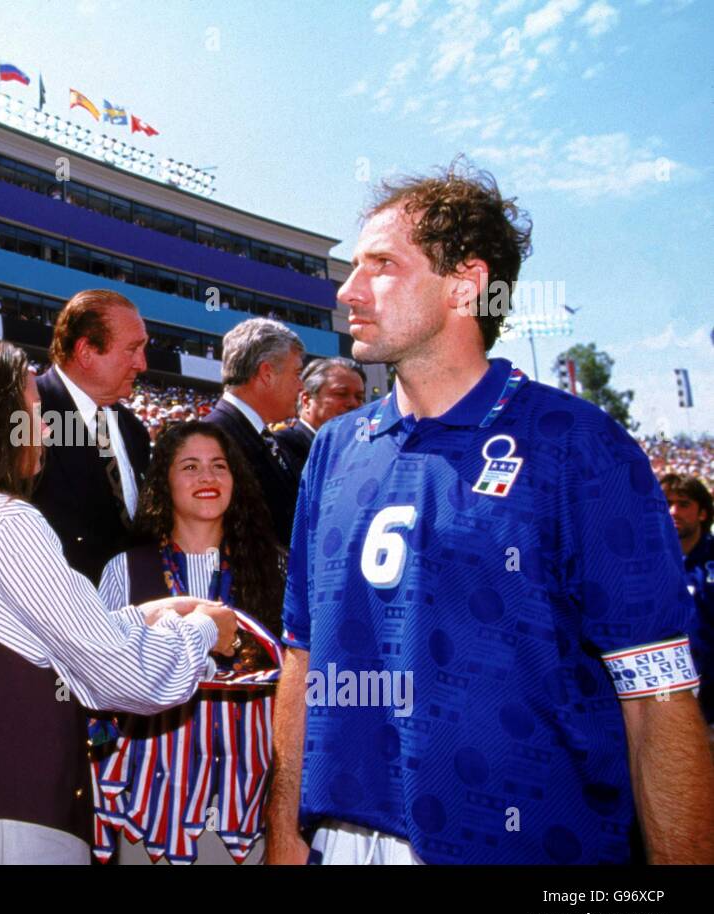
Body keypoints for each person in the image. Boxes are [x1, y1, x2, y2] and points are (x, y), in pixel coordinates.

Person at [267, 161, 714, 865]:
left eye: (381, 264)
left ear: (466, 283)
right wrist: (284, 851)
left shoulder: (578, 446)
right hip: (343, 836)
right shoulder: (334, 448)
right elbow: (301, 659)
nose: (348, 290)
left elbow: (657, 699)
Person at [0, 341, 238, 864]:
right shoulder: (5, 520)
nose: (45, 431)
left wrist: (147, 614)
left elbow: (40, 638)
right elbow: (118, 675)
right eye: (36, 414)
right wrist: (202, 629)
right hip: (7, 828)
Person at [93, 421, 285, 865]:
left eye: (219, 466)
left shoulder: (275, 568)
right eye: (190, 466)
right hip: (151, 795)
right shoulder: (126, 569)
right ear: (164, 481)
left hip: (249, 793)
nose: (207, 478)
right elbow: (99, 687)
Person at [33, 290, 151, 584]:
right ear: (86, 351)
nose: (142, 364)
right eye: (132, 349)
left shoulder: (133, 429)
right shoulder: (27, 412)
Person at [203, 317, 305, 550]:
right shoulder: (212, 440)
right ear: (267, 373)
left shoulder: (266, 438)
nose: (301, 386)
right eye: (296, 374)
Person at [660, 473, 714, 725]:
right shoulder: (647, 560)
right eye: (667, 503)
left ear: (702, 513)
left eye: (683, 504)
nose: (673, 511)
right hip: (665, 697)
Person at [274, 357, 366, 476]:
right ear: (306, 400)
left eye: (359, 397)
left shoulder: (359, 452)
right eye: (341, 394)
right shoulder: (283, 445)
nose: (353, 403)